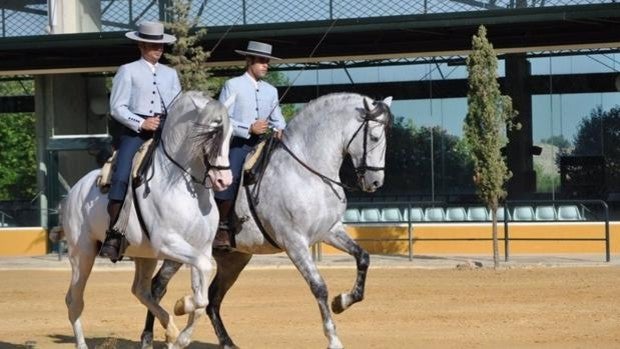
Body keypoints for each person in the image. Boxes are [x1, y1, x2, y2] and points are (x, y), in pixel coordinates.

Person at [100, 21, 182, 261]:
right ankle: (114, 234)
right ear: (141, 44)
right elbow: (117, 107)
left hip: (165, 131)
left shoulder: (171, 73)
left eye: (162, 46)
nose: (159, 50)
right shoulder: (128, 70)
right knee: (122, 173)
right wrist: (141, 123)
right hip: (135, 132)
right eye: (154, 45)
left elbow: (176, 105)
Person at [214, 41, 286, 250]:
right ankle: (222, 227)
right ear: (249, 61)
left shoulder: (271, 90)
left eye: (267, 62)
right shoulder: (232, 85)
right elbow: (221, 118)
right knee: (231, 178)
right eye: (262, 61)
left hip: (264, 144)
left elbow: (277, 118)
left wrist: (281, 128)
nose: (266, 65)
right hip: (238, 144)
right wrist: (248, 129)